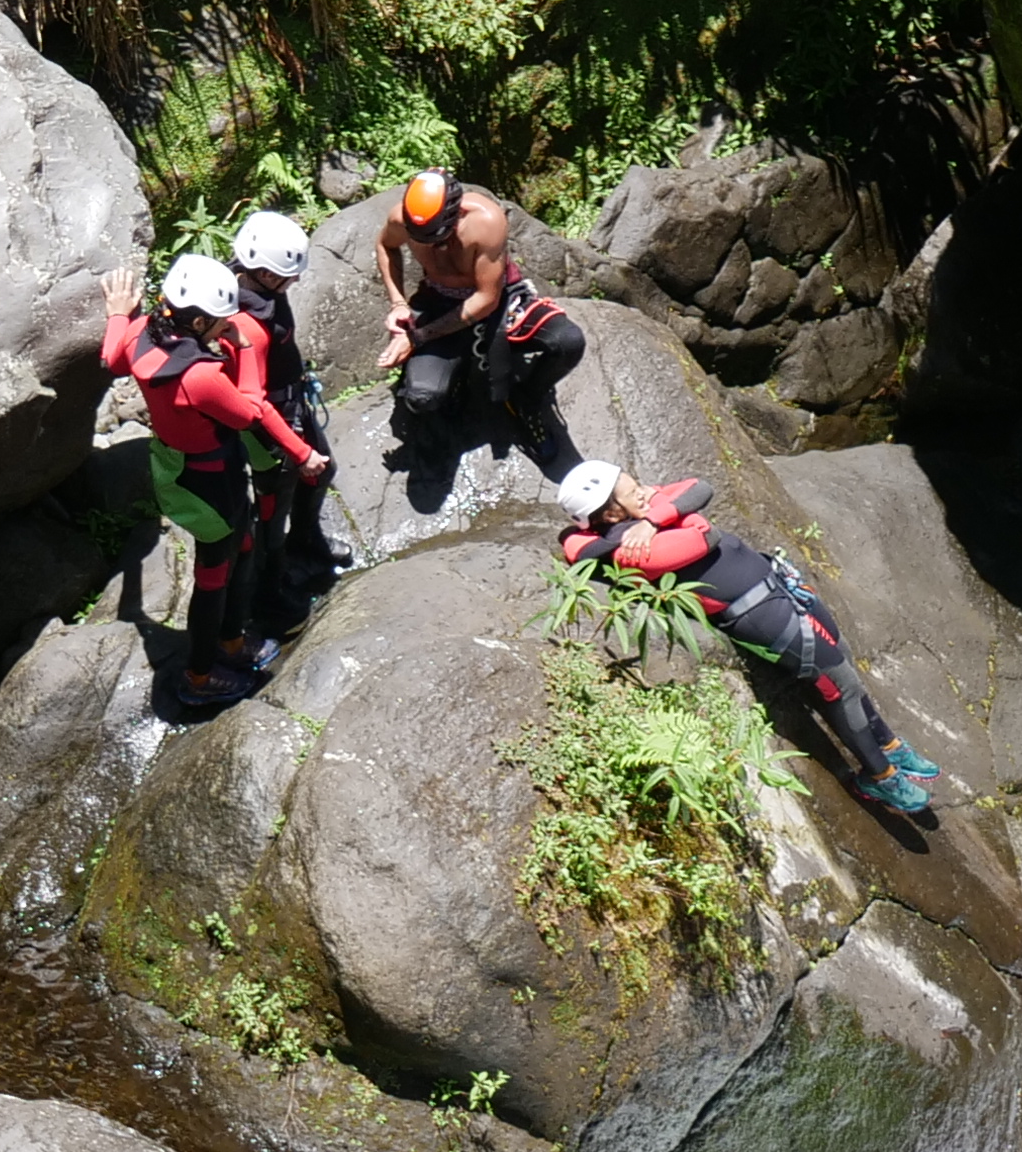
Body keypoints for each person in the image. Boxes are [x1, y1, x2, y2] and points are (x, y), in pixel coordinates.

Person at [552, 458, 939, 815]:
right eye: (631, 492)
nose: (646, 491)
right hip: (759, 616)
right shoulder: (633, 551)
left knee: (843, 657)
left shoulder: (642, 523)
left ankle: (889, 746)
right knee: (841, 685)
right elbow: (704, 535)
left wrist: (651, 517)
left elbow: (698, 486)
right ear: (611, 512)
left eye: (638, 484)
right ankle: (880, 777)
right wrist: (655, 520)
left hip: (778, 588)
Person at [110, 251, 332, 709]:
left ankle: (232, 644)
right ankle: (198, 675)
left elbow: (112, 358)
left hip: (181, 467)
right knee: (213, 576)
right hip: (209, 480)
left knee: (242, 548)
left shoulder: (141, 335)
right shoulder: (200, 377)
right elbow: (250, 410)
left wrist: (117, 314)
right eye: (219, 321)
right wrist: (246, 350)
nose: (226, 326)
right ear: (196, 324)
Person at [378, 168, 578, 438]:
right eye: (422, 238)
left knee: (568, 342)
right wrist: (398, 303)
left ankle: (528, 397)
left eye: (438, 237)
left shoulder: (485, 221)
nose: (434, 245)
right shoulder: (401, 220)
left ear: (455, 214)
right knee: (422, 398)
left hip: (499, 297)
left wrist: (418, 337)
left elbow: (486, 299)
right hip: (438, 300)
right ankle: (454, 385)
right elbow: (385, 245)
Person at [225, 209, 338, 614]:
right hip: (269, 422)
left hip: (291, 398)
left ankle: (305, 541)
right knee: (273, 510)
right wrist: (296, 449)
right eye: (290, 275)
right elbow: (254, 403)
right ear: (267, 275)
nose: (296, 281)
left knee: (326, 471)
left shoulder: (259, 285)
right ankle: (269, 592)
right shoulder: (245, 323)